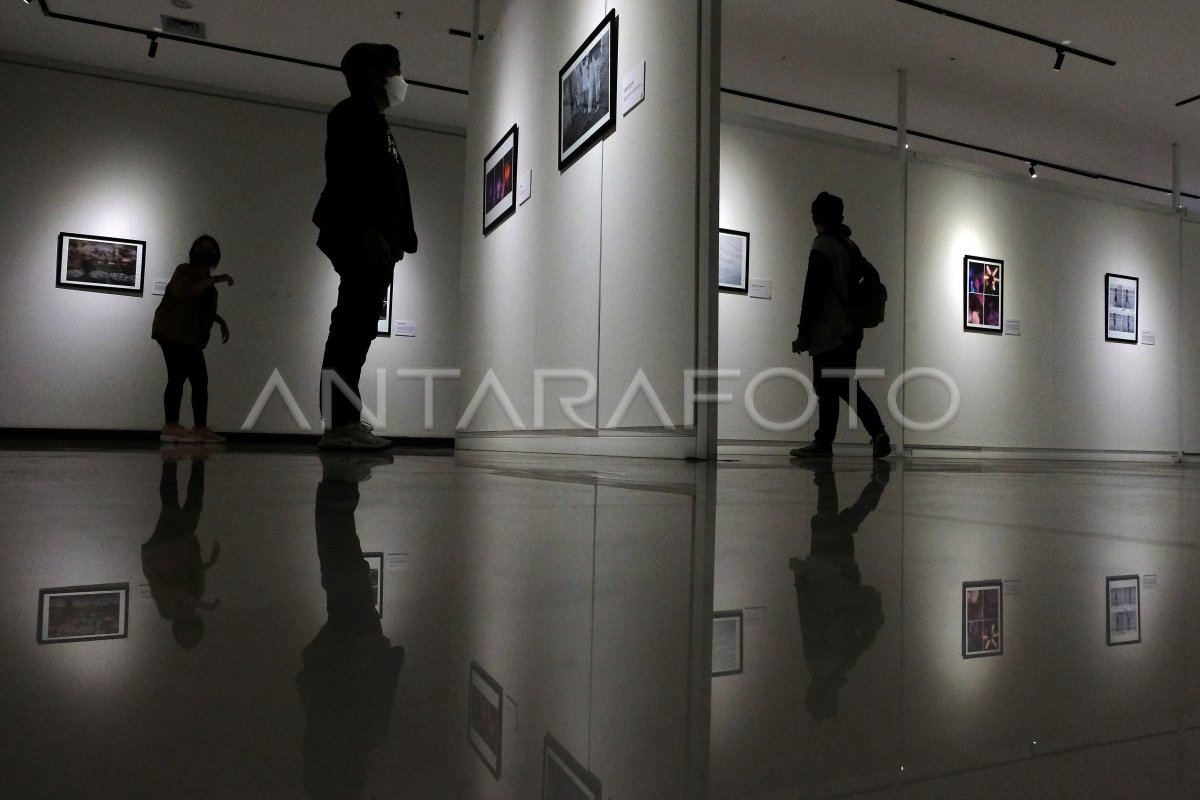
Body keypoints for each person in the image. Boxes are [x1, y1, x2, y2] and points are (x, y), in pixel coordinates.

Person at [313, 43, 418, 450]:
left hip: (376, 240)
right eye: (396, 68)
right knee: (351, 328)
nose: (400, 78)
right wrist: (369, 228)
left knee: (356, 329)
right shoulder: (352, 114)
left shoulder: (374, 120)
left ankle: (342, 422)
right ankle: (340, 424)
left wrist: (398, 237)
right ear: (374, 74)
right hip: (363, 238)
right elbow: (347, 176)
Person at [791, 192, 891, 459]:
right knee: (844, 385)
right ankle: (877, 433)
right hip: (850, 331)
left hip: (829, 331)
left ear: (815, 218)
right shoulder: (849, 245)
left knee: (828, 389)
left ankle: (824, 443)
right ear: (841, 217)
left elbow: (812, 293)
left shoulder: (822, 246)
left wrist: (803, 332)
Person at [151, 234, 233, 444]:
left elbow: (198, 308)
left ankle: (199, 427)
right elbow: (185, 294)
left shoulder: (207, 284)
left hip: (189, 338)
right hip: (172, 333)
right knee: (178, 377)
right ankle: (171, 426)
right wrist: (214, 279)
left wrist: (220, 321)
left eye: (210, 249)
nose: (206, 253)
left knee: (199, 379)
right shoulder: (184, 271)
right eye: (202, 248)